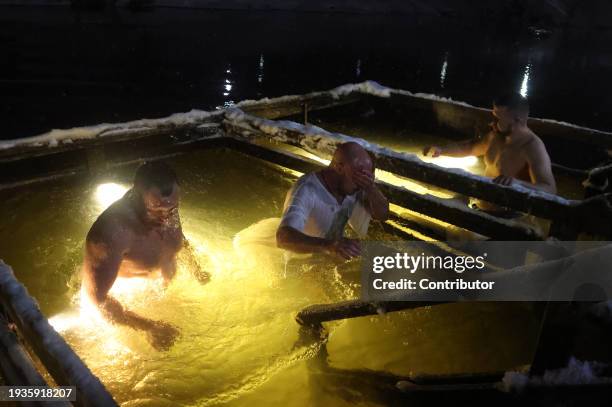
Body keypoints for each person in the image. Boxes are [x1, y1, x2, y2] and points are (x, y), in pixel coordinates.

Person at [81, 161, 208, 351]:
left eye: (172, 208)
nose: (166, 217)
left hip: (165, 292)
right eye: (156, 210)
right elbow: (95, 300)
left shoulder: (166, 204)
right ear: (136, 198)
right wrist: (148, 327)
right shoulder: (113, 231)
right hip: (134, 302)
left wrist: (197, 270)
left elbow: (179, 236)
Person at [423, 93, 556, 213]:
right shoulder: (496, 137)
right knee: (433, 205)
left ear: (517, 120)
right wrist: (441, 150)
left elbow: (550, 190)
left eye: (498, 118)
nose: (493, 122)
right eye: (494, 116)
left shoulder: (532, 147)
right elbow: (470, 147)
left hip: (508, 215)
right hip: (480, 203)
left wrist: (518, 184)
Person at [276, 142, 389, 259]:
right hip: (299, 259)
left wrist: (371, 188)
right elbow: (283, 238)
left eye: (365, 178)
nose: (361, 183)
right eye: (359, 177)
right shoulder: (307, 190)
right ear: (340, 167)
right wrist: (328, 245)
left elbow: (383, 215)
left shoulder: (355, 185)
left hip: (328, 257)